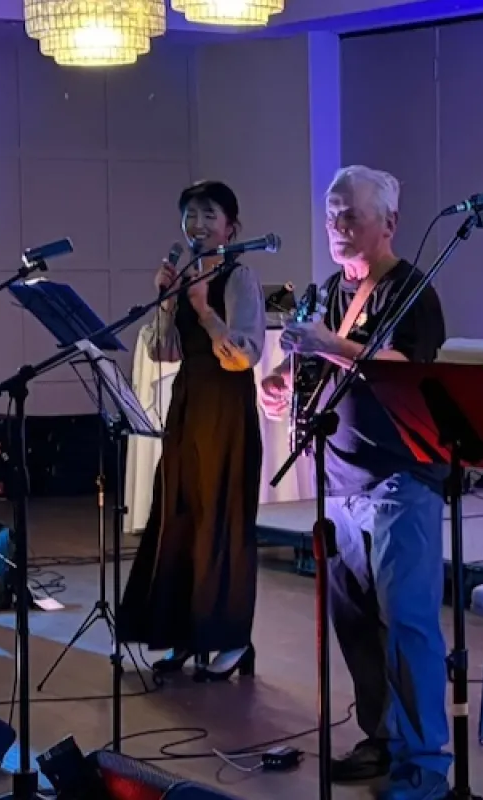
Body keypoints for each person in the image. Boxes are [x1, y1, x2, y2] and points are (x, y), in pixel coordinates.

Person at [260, 165, 450, 800]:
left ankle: (426, 766)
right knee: (356, 622)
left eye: (351, 215)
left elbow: (407, 369)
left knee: (409, 625)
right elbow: (308, 364)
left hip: (399, 478)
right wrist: (281, 383)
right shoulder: (325, 292)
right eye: (331, 215)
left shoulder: (411, 290)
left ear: (388, 222)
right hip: (338, 479)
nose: (337, 226)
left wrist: (330, 345)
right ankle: (382, 736)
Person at [117, 180, 266, 682]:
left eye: (209, 215)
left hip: (226, 409)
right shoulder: (183, 276)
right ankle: (184, 633)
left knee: (221, 521)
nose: (198, 225)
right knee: (179, 516)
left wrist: (204, 311)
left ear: (231, 228)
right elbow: (164, 353)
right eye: (191, 216)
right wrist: (166, 302)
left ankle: (232, 639)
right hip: (188, 405)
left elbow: (244, 356)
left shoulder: (239, 277)